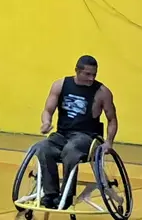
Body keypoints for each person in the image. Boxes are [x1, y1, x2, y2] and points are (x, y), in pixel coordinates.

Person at [36, 55, 118, 210]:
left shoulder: (102, 92)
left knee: (71, 150)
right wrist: (46, 122)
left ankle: (66, 195)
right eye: (87, 74)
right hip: (62, 134)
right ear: (77, 71)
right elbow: (47, 110)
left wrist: (109, 142)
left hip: (87, 136)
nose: (91, 78)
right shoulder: (60, 85)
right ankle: (51, 194)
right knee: (42, 148)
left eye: (94, 74)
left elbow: (112, 120)